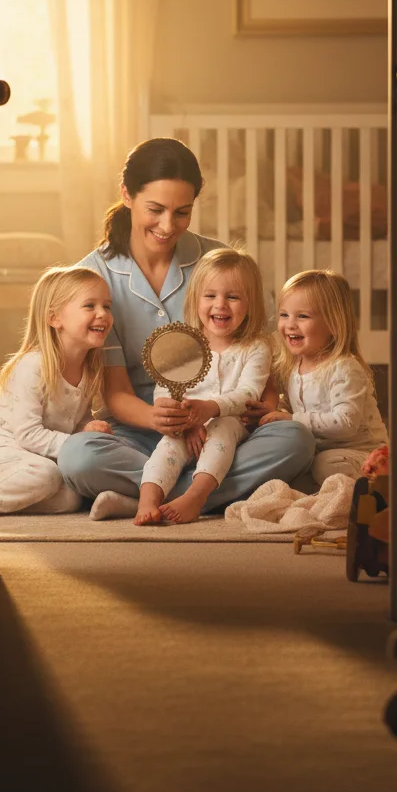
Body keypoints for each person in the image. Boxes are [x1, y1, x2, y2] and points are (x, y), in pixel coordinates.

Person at [57, 137, 315, 519]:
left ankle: (146, 496)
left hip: (222, 422)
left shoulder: (219, 262)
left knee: (296, 440)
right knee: (77, 456)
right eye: (156, 209)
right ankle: (201, 493)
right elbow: (115, 392)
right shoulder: (94, 277)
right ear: (126, 195)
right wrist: (164, 420)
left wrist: (265, 404)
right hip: (139, 426)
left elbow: (258, 354)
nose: (167, 226)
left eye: (182, 212)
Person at [135, 247, 272, 525]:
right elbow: (165, 387)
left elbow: (248, 394)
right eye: (210, 296)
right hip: (188, 424)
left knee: (222, 430)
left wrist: (209, 410)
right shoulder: (185, 344)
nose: (220, 305)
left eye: (233, 297)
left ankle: (196, 496)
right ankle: (147, 500)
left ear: (251, 304)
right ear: (196, 300)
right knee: (168, 446)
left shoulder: (256, 348)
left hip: (231, 422)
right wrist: (184, 421)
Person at [0, 266, 115, 514]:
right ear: (54, 318)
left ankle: (8, 504)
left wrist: (88, 428)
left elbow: (76, 419)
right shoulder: (33, 366)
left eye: (107, 306)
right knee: (47, 475)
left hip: (41, 458)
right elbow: (27, 434)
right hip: (7, 453)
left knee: (71, 497)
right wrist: (76, 442)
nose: (102, 314)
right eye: (90, 306)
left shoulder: (88, 368)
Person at [259, 269, 388, 486]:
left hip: (362, 453)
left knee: (325, 465)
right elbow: (297, 409)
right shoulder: (294, 367)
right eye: (284, 315)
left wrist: (292, 419)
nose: (290, 324)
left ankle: (375, 485)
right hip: (321, 450)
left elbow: (345, 422)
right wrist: (274, 411)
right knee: (291, 467)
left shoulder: (344, 368)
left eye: (302, 316)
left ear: (333, 324)